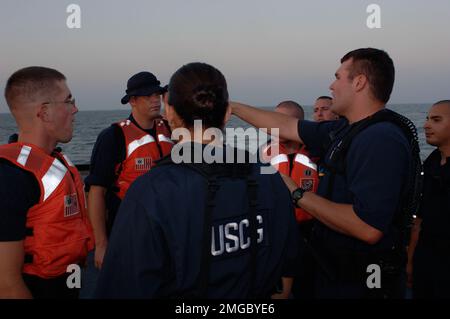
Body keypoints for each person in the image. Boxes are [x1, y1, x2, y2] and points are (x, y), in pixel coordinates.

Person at [95, 62, 299, 298]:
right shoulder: (269, 179)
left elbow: (124, 287)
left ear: (169, 112)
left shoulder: (150, 192)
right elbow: (287, 271)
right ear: (226, 113)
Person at [231, 48, 421, 298]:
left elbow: (368, 227)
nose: (332, 86)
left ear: (360, 82)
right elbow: (286, 125)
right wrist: (232, 107)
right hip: (331, 273)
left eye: (338, 77)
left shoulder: (380, 139)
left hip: (359, 285)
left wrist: (296, 193)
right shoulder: (345, 129)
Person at [0, 66, 93, 299]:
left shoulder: (57, 163)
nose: (76, 109)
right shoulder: (11, 178)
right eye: (69, 101)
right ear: (44, 112)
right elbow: (5, 283)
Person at [81, 71, 173, 297]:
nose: (155, 100)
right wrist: (101, 244)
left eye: (157, 95)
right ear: (132, 101)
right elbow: (96, 191)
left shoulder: (170, 129)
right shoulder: (113, 136)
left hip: (168, 231)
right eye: (147, 96)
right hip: (128, 233)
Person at [263, 101, 319, 299]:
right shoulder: (263, 155)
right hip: (275, 237)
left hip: (312, 236)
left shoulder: (320, 154)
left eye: (279, 120)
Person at [407, 100, 450, 298]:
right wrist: (410, 259)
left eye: (436, 119)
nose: (426, 125)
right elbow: (419, 219)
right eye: (427, 119)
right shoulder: (431, 162)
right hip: (426, 261)